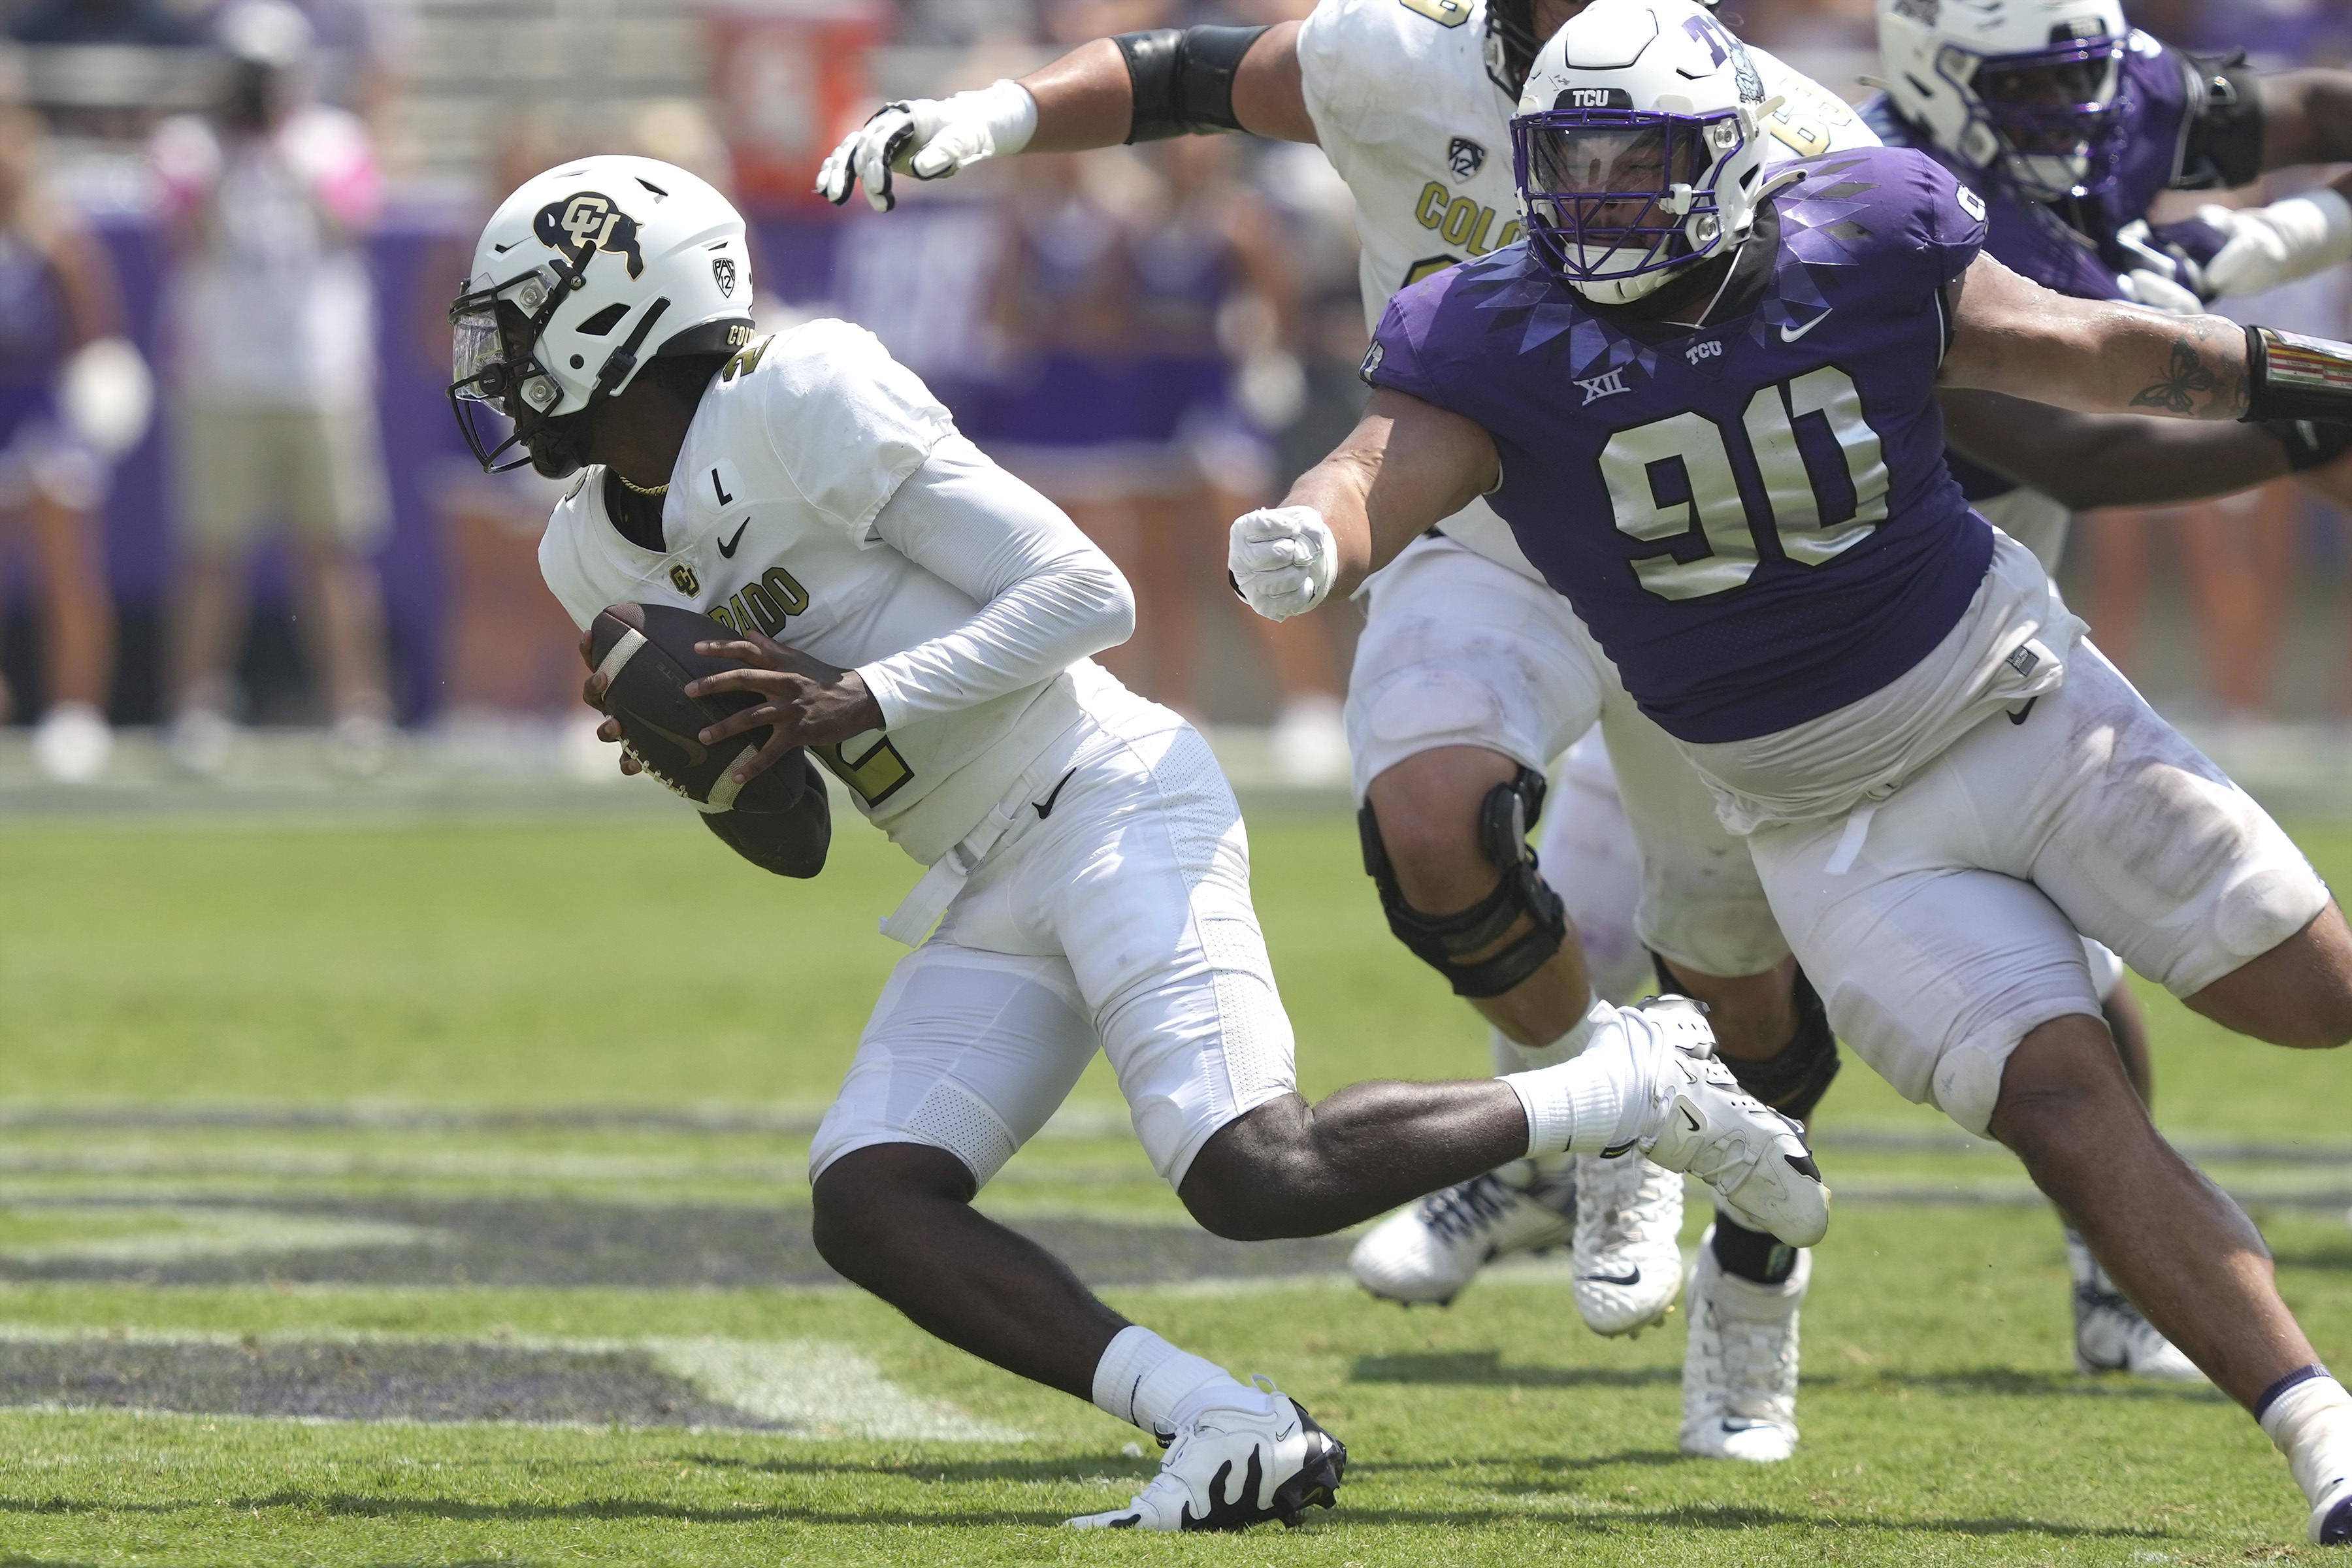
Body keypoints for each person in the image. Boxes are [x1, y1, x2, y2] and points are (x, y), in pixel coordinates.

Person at [450, 152, 1829, 1531]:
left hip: (1106, 792)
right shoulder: (586, 558)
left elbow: (1084, 592)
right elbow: (795, 833)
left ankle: (1637, 1074)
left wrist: (856, 696)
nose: (500, 376)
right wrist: (706, 765)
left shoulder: (805, 396)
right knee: (870, 1201)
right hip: (980, 870)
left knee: (1254, 1172)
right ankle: (1220, 1421)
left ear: (613, 315)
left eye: (519, 333)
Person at [1230, 0, 2352, 1540]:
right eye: (1570, 162)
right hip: (1829, 831)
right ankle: (2325, 1437)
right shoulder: (1485, 327)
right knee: (2063, 1101)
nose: (1600, 196)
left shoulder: (1867, 226)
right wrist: (1318, 529)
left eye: (1640, 160)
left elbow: (2090, 351)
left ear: (1727, 154)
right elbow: (1381, 465)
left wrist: (2307, 379)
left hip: (2015, 705)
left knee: (2315, 996)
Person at [815, 0, 1883, 1462]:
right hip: (1480, 538)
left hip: (1693, 554)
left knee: (1739, 976)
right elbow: (1189, 72)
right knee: (1434, 831)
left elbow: (1920, 345)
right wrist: (994, 119)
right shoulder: (1404, 54)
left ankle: (1758, 1281)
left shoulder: (1799, 132)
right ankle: (1603, 1114)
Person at [152, 0, 393, 774]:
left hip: (319, 372)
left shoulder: (332, 141)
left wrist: (283, 152)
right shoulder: (190, 148)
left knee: (332, 550)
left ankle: (358, 708)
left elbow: (350, 222)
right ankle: (195, 706)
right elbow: (184, 237)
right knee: (211, 552)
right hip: (222, 373)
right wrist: (233, 155)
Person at [0, 106, 149, 782]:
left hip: (45, 418)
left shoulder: (57, 241)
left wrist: (88, 417)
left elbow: (96, 339)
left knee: (67, 572)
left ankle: (75, 713)